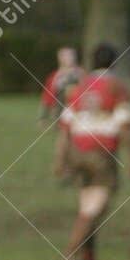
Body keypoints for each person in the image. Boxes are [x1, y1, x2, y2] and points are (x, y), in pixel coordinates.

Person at [58, 43, 130, 260]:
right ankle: (69, 256)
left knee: (87, 203)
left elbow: (65, 126)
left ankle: (88, 258)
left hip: (76, 149)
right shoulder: (116, 87)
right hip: (101, 152)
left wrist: (60, 159)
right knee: (94, 209)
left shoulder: (79, 86)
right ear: (114, 62)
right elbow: (124, 125)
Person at [38, 46, 83, 179]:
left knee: (76, 143)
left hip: (79, 114)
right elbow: (47, 98)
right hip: (61, 113)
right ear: (60, 58)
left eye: (72, 55)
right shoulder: (55, 77)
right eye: (66, 56)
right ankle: (60, 166)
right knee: (63, 141)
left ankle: (71, 168)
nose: (70, 58)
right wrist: (42, 117)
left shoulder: (81, 74)